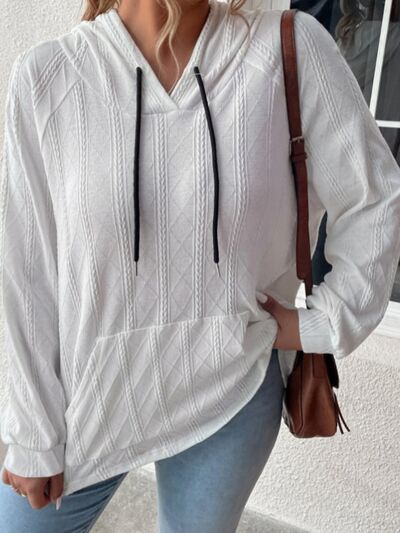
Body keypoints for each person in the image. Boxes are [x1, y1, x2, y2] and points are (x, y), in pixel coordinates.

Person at [1, 0, 400, 531]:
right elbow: (28, 274)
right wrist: (32, 430)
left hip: (230, 389)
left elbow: (374, 196)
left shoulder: (288, 48)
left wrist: (322, 322)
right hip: (89, 397)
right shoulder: (47, 77)